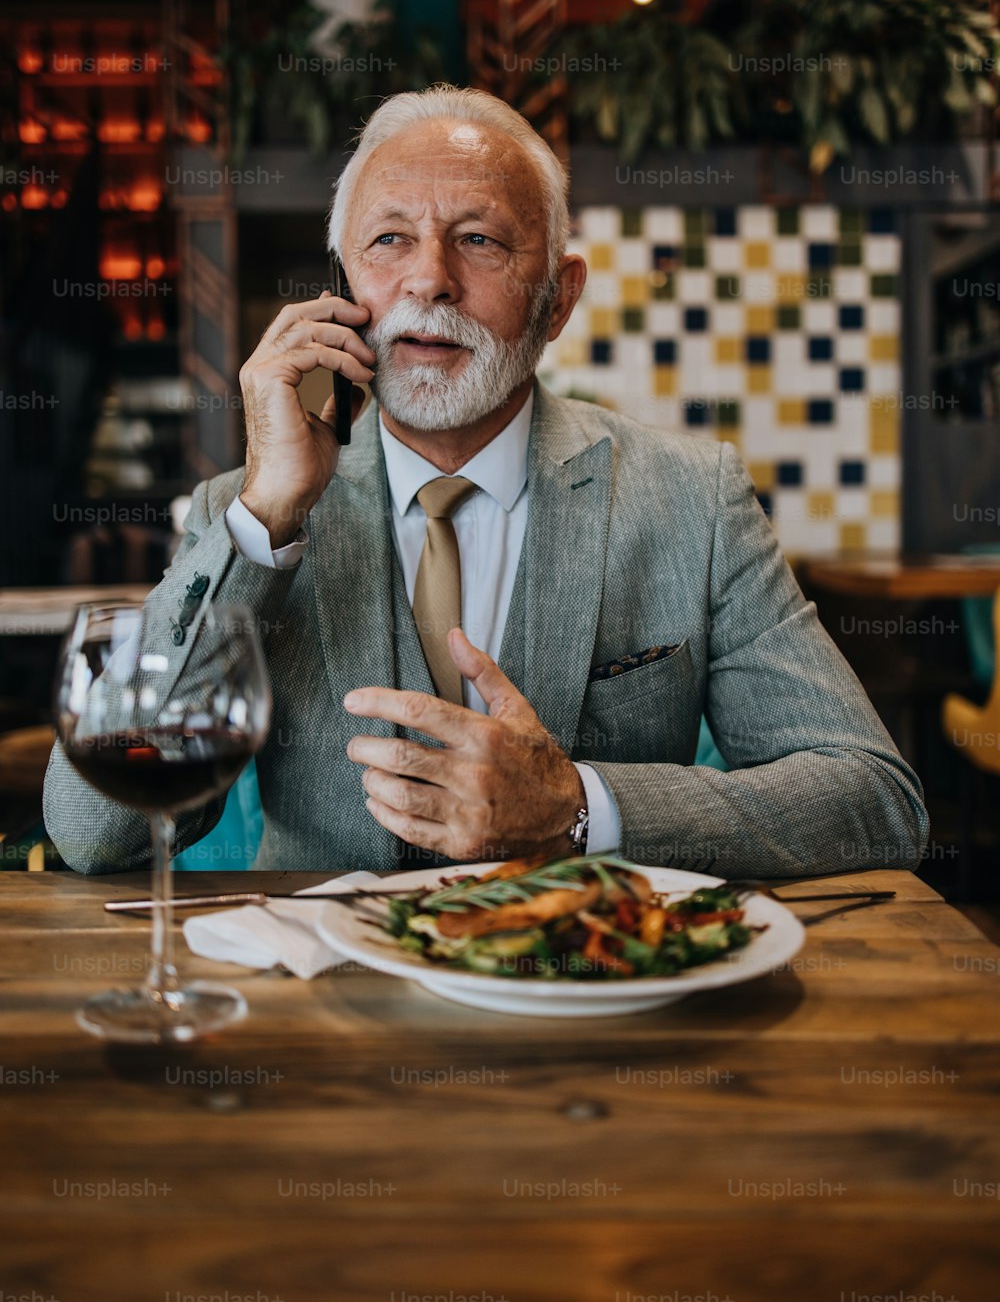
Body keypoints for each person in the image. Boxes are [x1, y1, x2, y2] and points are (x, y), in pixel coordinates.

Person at [43, 85, 927, 877]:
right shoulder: (240, 513)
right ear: (344, 286)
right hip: (323, 1024)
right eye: (389, 239)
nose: (429, 278)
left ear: (560, 297)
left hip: (585, 1003)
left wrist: (578, 809)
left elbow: (873, 800)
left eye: (480, 240)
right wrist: (264, 514)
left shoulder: (694, 498)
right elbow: (96, 831)